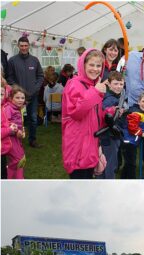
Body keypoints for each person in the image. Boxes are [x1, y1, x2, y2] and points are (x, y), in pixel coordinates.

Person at [61, 48, 107, 179]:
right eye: (91, 65)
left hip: (90, 145)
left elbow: (94, 117)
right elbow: (76, 112)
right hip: (77, 147)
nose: (95, 69)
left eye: (99, 65)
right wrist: (95, 92)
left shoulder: (93, 85)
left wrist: (109, 113)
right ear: (83, 65)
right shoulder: (74, 84)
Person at [6, 37, 45, 148]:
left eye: (25, 45)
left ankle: (32, 140)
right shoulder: (12, 60)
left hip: (32, 96)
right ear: (18, 46)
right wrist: (18, 90)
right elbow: (9, 77)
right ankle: (16, 142)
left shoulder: (34, 60)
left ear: (29, 46)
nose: (24, 48)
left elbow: (40, 76)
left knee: (33, 118)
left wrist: (35, 89)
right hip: (17, 98)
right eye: (21, 45)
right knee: (16, 120)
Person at [98, 71, 125, 179]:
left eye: (121, 84)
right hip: (109, 135)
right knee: (110, 163)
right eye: (115, 84)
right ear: (109, 84)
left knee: (104, 161)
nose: (119, 87)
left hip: (110, 135)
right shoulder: (109, 100)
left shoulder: (117, 97)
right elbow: (103, 116)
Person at [121, 92, 144, 179]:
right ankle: (132, 182)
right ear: (139, 101)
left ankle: (123, 179)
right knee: (131, 163)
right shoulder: (135, 113)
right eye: (143, 101)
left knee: (129, 162)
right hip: (128, 141)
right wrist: (142, 134)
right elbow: (132, 128)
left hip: (133, 141)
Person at [3, 85, 27, 179]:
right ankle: (9, 178)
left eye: (22, 98)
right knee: (18, 159)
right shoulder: (8, 108)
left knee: (20, 160)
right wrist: (16, 131)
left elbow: (19, 121)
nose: (20, 100)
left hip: (17, 138)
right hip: (10, 138)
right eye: (17, 97)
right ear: (11, 98)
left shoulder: (18, 108)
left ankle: (19, 179)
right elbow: (6, 122)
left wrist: (22, 130)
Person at [0, 80, 18, 179]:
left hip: (4, 149)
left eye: (1, 94)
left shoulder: (3, 108)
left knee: (4, 174)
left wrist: (11, 125)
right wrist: (8, 130)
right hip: (1, 149)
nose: (0, 97)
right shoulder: (1, 109)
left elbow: (5, 123)